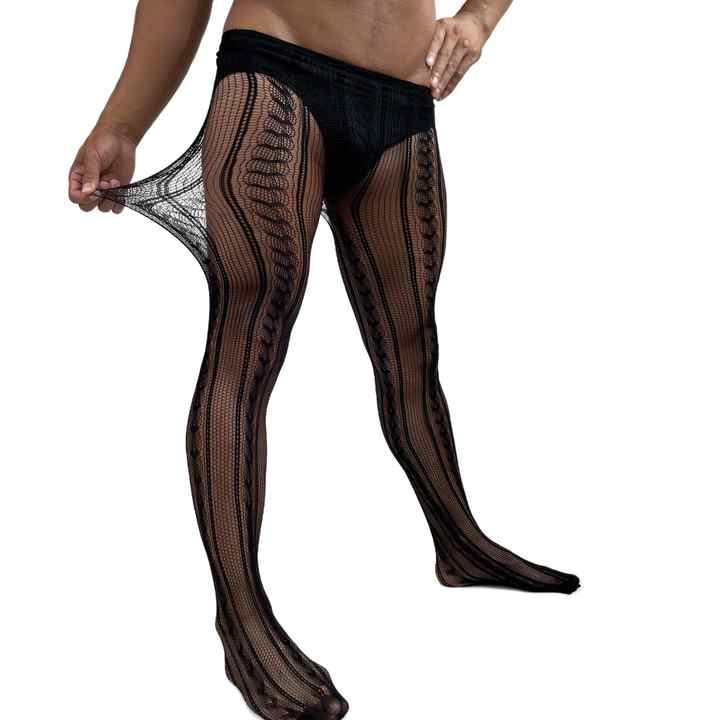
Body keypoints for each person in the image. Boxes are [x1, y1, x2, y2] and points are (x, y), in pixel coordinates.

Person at [68, 2, 579, 718]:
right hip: (276, 75)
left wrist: (478, 20)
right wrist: (122, 124)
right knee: (245, 350)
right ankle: (243, 625)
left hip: (403, 100)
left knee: (411, 344)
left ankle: (460, 544)